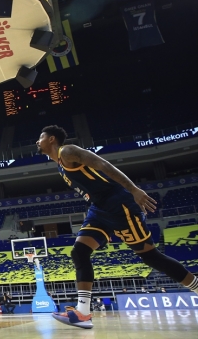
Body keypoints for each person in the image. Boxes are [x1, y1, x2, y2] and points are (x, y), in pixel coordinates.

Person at [36, 125, 198, 329]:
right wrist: (104, 228)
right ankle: (83, 313)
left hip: (119, 205)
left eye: (40, 137)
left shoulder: (67, 152)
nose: (37, 141)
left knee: (151, 257)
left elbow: (102, 163)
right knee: (80, 251)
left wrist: (133, 189)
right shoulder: (59, 164)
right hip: (99, 210)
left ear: (51, 139)